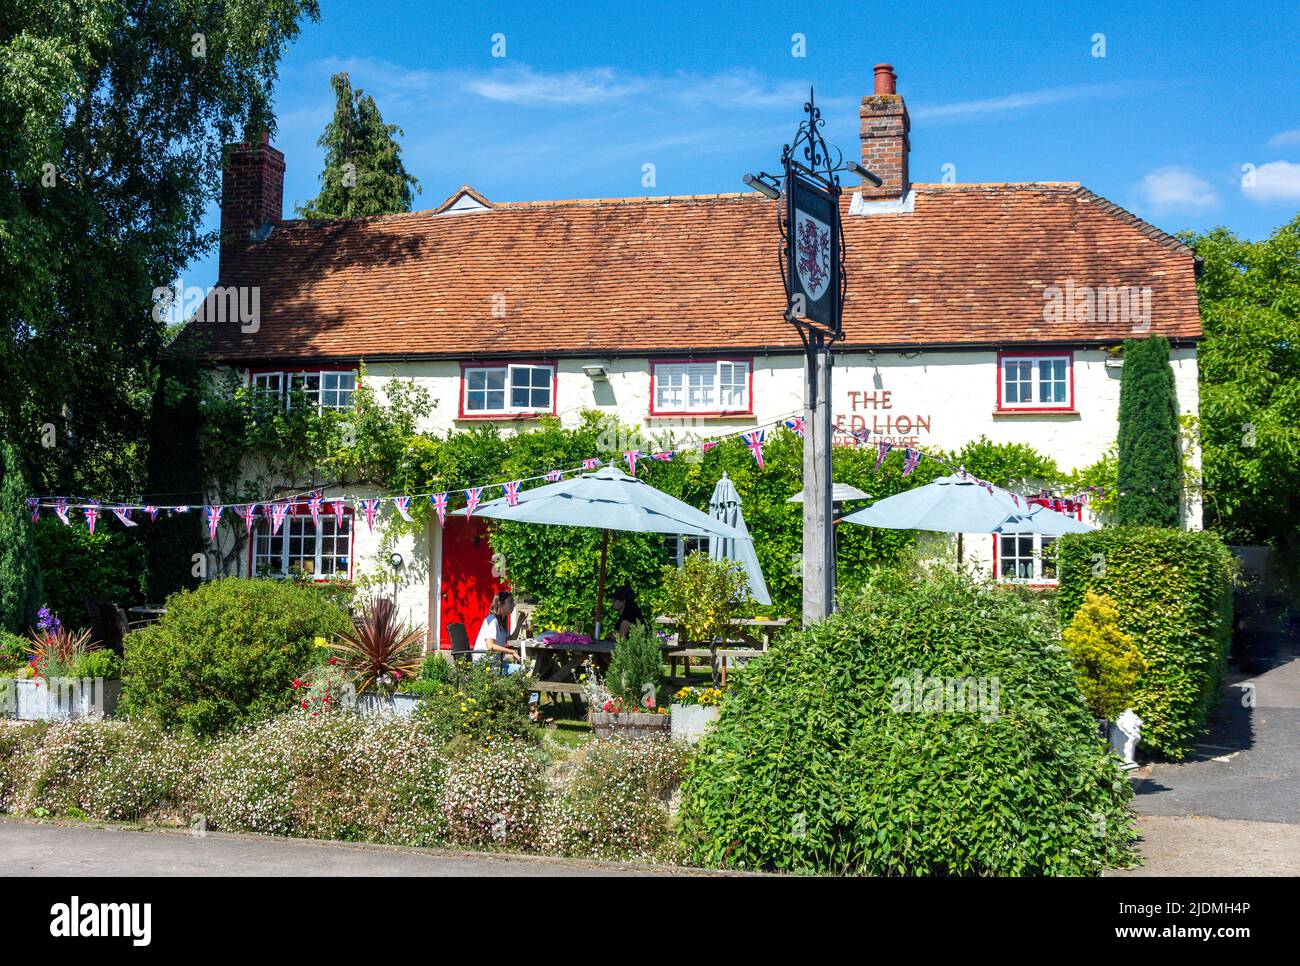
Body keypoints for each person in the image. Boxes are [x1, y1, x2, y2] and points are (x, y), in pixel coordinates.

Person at [473, 591, 525, 669]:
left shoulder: (502, 622)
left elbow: (511, 639)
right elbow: (490, 646)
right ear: (501, 604)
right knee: (522, 670)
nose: (514, 605)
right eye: (510, 602)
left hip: (495, 663)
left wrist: (519, 623)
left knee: (523, 669)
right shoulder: (492, 620)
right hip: (484, 664)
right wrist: (512, 652)